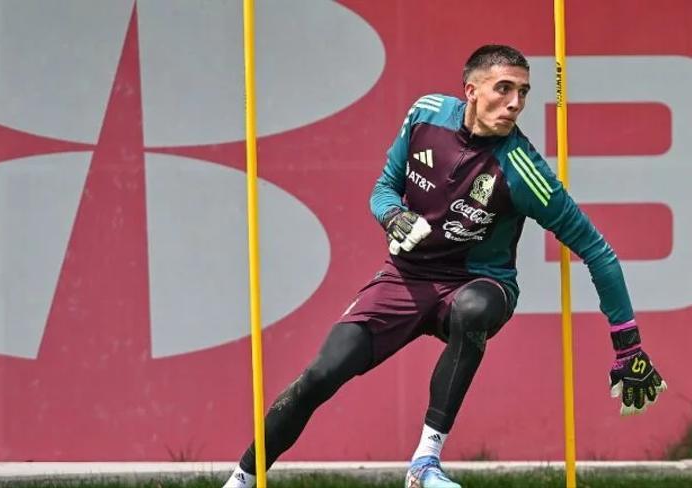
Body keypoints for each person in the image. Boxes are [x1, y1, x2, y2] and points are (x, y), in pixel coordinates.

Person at [222, 44, 667, 488]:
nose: (515, 103)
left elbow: (597, 250)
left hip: (480, 283)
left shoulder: (523, 169)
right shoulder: (426, 115)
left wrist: (627, 345)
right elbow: (383, 188)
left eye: (524, 93)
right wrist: (393, 216)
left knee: (472, 308)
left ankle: (424, 464)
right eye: (504, 89)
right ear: (471, 90)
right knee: (320, 374)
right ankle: (241, 479)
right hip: (404, 278)